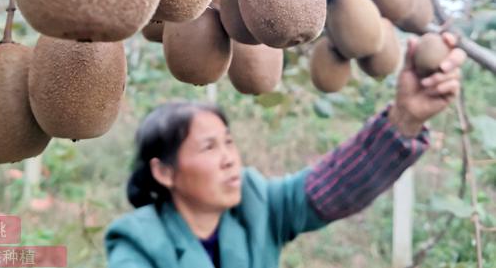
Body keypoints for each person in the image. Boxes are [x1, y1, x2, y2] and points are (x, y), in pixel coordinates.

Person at [105, 33, 467, 267]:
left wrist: (406, 117)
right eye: (209, 147)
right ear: (164, 171)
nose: (230, 158)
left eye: (229, 142)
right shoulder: (136, 242)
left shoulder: (257, 203)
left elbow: (335, 185)